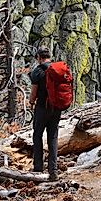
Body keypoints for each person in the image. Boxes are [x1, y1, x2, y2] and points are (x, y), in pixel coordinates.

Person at [29, 47, 60, 180]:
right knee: (52, 137)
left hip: (42, 107)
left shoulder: (38, 71)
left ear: (39, 58)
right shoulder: (58, 69)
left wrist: (31, 102)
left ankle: (38, 167)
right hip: (56, 108)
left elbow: (34, 92)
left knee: (37, 135)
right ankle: (53, 170)